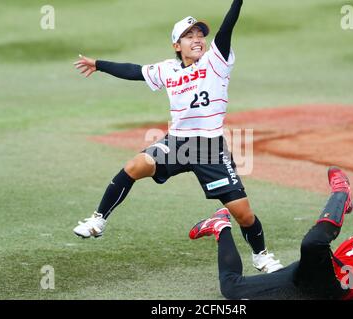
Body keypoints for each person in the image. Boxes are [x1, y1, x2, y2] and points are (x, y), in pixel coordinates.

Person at [72, 0, 283, 273]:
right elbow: (134, 71)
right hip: (178, 142)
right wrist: (98, 64)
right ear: (176, 45)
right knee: (135, 165)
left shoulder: (216, 61)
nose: (197, 39)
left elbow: (226, 29)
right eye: (189, 35)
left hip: (209, 148)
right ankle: (98, 220)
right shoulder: (167, 70)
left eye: (199, 35)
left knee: (243, 213)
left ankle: (261, 256)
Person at [190, 166, 353, 299]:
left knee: (231, 289)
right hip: (326, 285)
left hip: (307, 280)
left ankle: (221, 226)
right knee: (313, 244)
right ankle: (341, 192)